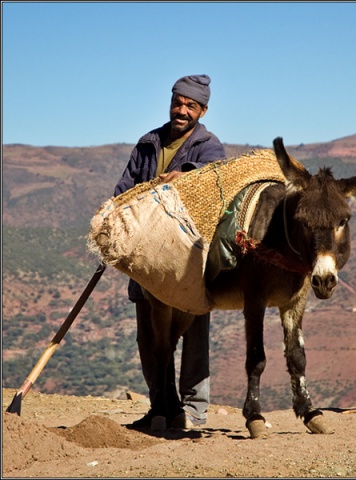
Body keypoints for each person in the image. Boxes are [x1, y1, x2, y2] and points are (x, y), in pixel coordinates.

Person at [114, 74, 226, 428]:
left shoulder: (209, 145)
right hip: (147, 258)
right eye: (178, 102)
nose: (182, 110)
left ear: (203, 110)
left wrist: (188, 174)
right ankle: (161, 407)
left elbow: (217, 178)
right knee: (150, 335)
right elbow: (123, 188)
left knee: (192, 332)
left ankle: (194, 410)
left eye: (190, 105)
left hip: (191, 260)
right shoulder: (148, 143)